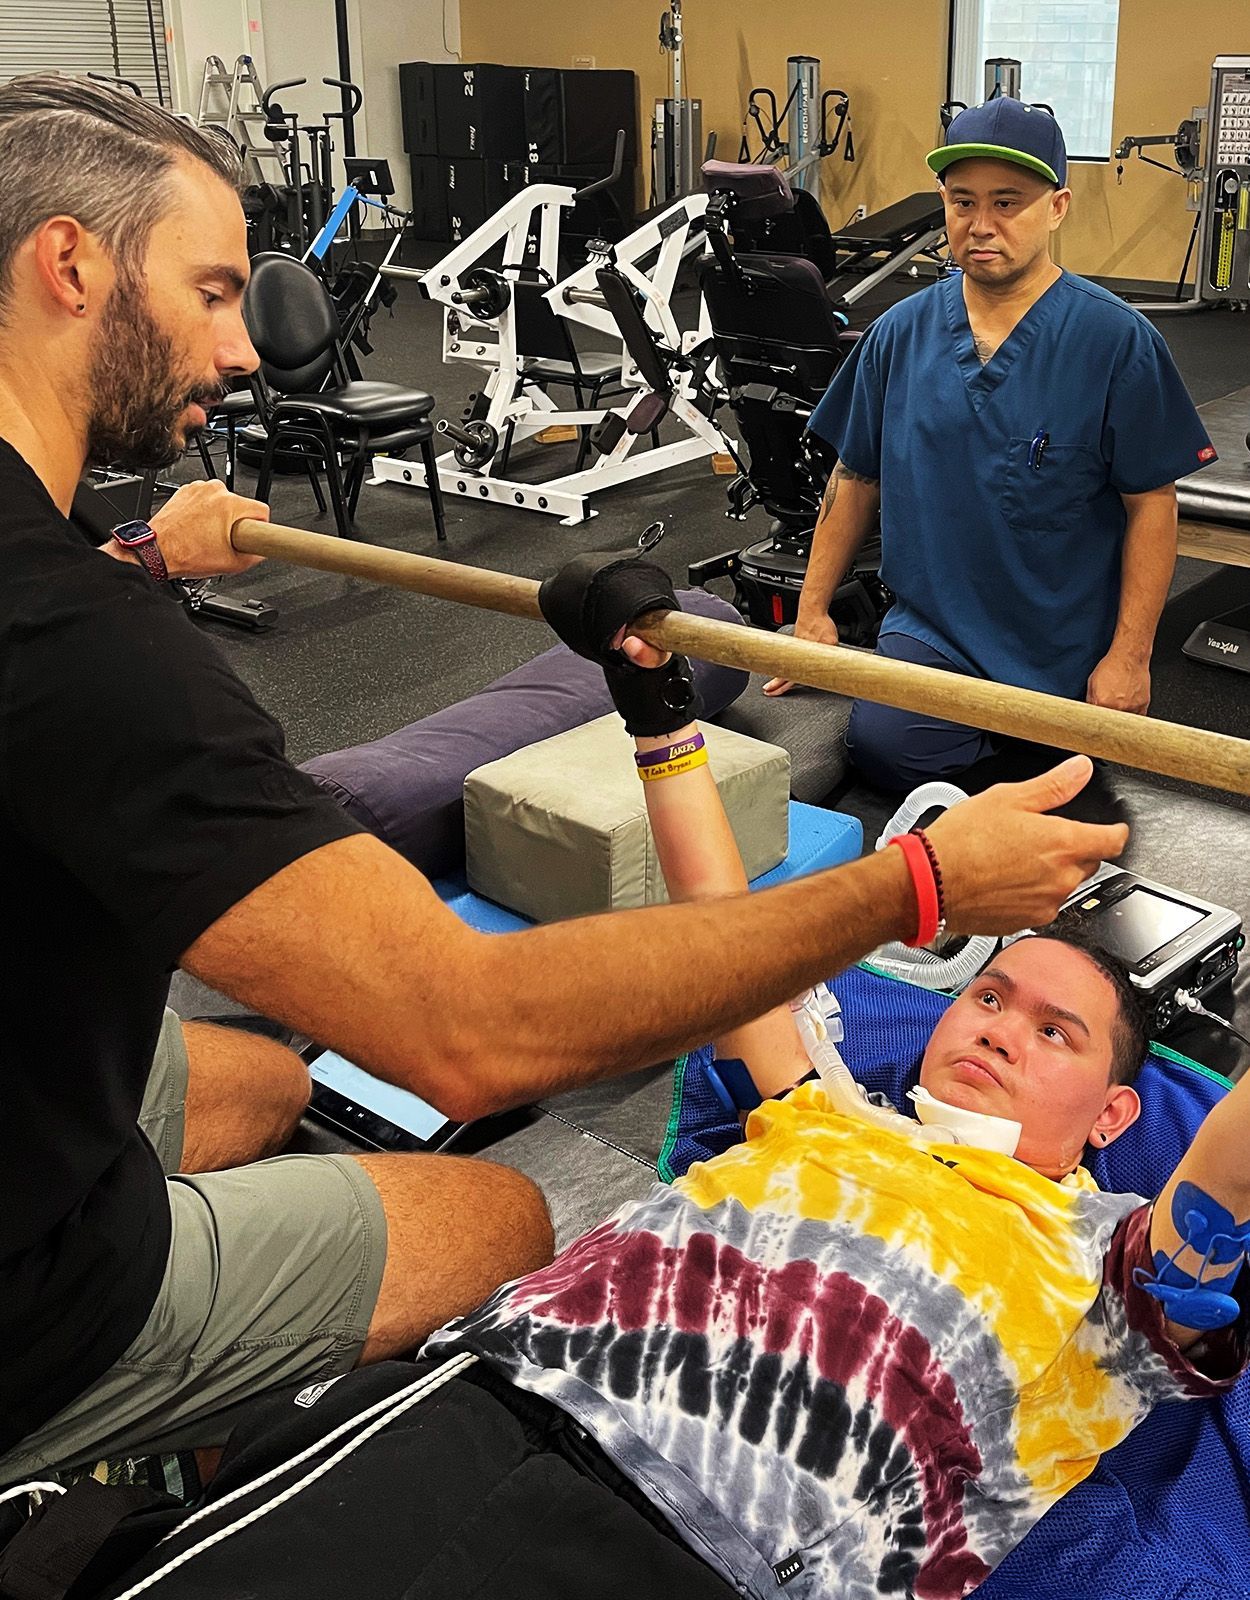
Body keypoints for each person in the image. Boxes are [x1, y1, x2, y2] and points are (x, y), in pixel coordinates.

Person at [0, 74, 1127, 1492]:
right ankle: (141, 1487)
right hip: (30, 1293)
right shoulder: (83, 654)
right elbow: (468, 1034)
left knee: (263, 1078)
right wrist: (919, 884)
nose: (241, 352)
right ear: (69, 265)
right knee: (493, 1217)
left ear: (1110, 1123)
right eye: (213, 291)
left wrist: (143, 561)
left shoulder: (1091, 1242)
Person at [115, 594, 1249, 1600]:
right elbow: (717, 907)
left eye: (1053, 1033)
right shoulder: (829, 1105)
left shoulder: (1117, 1269)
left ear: (1111, 1118)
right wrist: (657, 716)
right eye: (990, 995)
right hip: (507, 1390)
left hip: (714, 1560)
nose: (999, 1027)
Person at [764, 98, 1218, 793]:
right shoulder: (899, 334)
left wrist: (1130, 657)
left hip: (1060, 642)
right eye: (962, 201)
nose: (981, 225)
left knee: (1079, 765)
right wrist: (812, 615)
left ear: (1057, 207)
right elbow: (854, 478)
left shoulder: (1117, 342)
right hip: (935, 632)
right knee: (887, 749)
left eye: (1009, 203)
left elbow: (1152, 503)